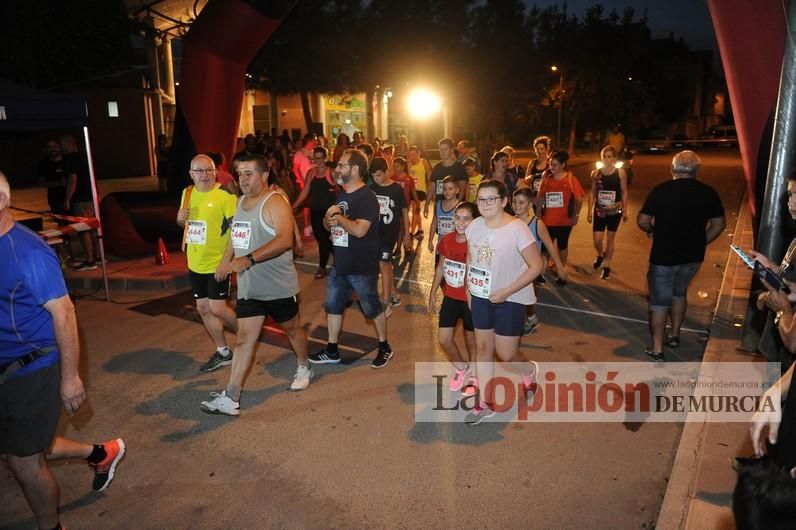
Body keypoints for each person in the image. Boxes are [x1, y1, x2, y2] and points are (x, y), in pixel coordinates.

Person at [0, 171, 125, 530]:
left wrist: (70, 378)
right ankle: (101, 453)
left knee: (24, 461)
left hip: (30, 368)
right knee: (19, 449)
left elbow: (65, 313)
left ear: (3, 202)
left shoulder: (29, 253)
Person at [200, 154, 311, 416]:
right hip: (250, 288)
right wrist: (225, 262)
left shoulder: (274, 203)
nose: (243, 179)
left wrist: (248, 259)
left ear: (264, 175)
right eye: (239, 174)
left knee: (293, 330)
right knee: (244, 339)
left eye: (249, 173)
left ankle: (304, 365)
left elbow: (285, 240)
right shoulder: (239, 203)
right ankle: (232, 396)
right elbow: (233, 238)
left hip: (278, 285)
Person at [464, 179, 544, 424]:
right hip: (480, 297)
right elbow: (470, 257)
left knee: (506, 355)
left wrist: (507, 291)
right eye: (481, 199)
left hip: (511, 298)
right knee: (483, 350)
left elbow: (536, 265)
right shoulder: (474, 225)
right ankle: (484, 402)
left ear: (504, 201)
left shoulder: (516, 228)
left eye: (491, 199)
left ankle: (529, 371)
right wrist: (469, 290)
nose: (485, 204)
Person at [308, 149, 394, 368]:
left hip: (362, 266)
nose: (336, 169)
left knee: (372, 308)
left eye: (341, 166)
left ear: (355, 169)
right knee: (333, 307)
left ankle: (385, 347)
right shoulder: (343, 195)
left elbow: (359, 230)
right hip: (341, 264)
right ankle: (332, 350)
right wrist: (329, 219)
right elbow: (332, 225)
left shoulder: (367, 197)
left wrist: (338, 217)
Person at [637, 150, 725, 361]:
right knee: (679, 292)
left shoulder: (662, 190)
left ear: (673, 169)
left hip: (664, 256)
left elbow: (642, 220)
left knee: (659, 302)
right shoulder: (708, 192)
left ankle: (657, 348)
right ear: (696, 171)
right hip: (692, 258)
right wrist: (701, 242)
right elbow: (719, 225)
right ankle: (675, 334)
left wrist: (652, 230)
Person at [176, 155, 239, 372]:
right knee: (203, 308)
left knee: (218, 308)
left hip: (217, 263)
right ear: (191, 173)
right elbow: (182, 224)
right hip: (195, 263)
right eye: (199, 171)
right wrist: (180, 219)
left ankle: (247, 335)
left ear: (215, 172)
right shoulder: (188, 193)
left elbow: (236, 232)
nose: (204, 175)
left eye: (208, 170)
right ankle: (223, 352)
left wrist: (225, 262)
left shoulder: (225, 196)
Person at [428, 202, 478, 392]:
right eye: (458, 217)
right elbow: (441, 266)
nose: (461, 222)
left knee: (472, 342)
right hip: (451, 296)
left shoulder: (476, 242)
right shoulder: (447, 240)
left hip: (470, 299)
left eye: (466, 218)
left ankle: (475, 376)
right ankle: (461, 367)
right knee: (444, 339)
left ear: (474, 221)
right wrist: (432, 293)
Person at [512, 188, 567, 334]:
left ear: (530, 205)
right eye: (515, 202)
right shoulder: (510, 222)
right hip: (514, 267)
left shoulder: (537, 224)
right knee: (518, 296)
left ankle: (529, 320)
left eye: (521, 202)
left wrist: (559, 267)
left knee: (525, 295)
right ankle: (530, 319)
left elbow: (549, 245)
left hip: (531, 268)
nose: (517, 205)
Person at [370, 156, 411, 310]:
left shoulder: (396, 189)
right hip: (374, 234)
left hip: (390, 234)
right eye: (373, 176)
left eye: (379, 175)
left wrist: (407, 233)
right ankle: (394, 294)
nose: (376, 179)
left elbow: (405, 212)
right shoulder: (372, 188)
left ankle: (385, 300)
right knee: (383, 265)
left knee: (384, 262)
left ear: (387, 171)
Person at [538, 151, 585, 279]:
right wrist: (537, 215)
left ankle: (561, 271)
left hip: (565, 221)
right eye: (550, 164)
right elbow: (540, 198)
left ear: (563, 164)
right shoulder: (547, 179)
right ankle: (542, 273)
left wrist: (576, 215)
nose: (552, 167)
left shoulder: (570, 179)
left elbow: (579, 199)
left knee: (562, 246)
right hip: (548, 220)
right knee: (545, 247)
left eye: (555, 165)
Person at [292, 146, 337, 278]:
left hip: (329, 212)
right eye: (316, 158)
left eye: (320, 158)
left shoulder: (331, 172)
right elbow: (305, 191)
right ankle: (339, 259)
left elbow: (340, 190)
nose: (318, 161)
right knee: (320, 238)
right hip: (315, 211)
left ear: (325, 158)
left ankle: (322, 268)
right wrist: (295, 205)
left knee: (324, 239)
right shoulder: (311, 173)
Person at [587, 145, 629, 280]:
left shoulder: (620, 173)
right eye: (604, 156)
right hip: (600, 211)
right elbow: (592, 192)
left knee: (610, 239)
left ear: (614, 158)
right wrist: (589, 210)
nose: (606, 159)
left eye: (609, 156)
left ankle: (606, 266)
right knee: (597, 240)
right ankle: (600, 254)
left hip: (615, 210)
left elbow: (624, 191)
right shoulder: (596, 173)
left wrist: (625, 211)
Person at [61, 135, 98, 271]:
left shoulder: (71, 159)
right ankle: (96, 256)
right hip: (89, 197)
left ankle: (90, 260)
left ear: (69, 144)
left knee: (83, 228)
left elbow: (72, 180)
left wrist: (67, 199)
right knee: (91, 227)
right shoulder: (84, 157)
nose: (61, 147)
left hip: (80, 199)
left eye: (62, 144)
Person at [37, 139, 74, 262]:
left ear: (59, 147)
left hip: (74, 199)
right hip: (56, 200)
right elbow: (41, 182)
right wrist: (57, 184)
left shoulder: (68, 161)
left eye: (55, 146)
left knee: (77, 226)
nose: (52, 149)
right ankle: (66, 256)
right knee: (61, 227)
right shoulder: (43, 164)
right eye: (49, 147)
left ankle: (79, 253)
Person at [426, 137, 468, 216]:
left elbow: (463, 190)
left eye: (445, 149)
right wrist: (426, 204)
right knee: (436, 226)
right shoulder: (437, 168)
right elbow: (431, 188)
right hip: (439, 206)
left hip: (454, 207)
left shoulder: (459, 167)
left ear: (451, 150)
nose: (442, 152)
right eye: (440, 149)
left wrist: (458, 205)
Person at [391, 156, 420, 256]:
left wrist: (418, 203)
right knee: (398, 227)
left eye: (397, 166)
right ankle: (406, 246)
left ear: (403, 167)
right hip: (394, 207)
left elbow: (413, 192)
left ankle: (400, 248)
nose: (395, 169)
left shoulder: (408, 179)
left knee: (402, 226)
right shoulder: (391, 178)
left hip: (404, 207)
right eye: (393, 166)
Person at [428, 176, 460, 263]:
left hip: (455, 250)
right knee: (438, 273)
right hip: (441, 248)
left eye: (450, 189)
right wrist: (430, 241)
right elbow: (434, 223)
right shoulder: (438, 205)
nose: (447, 192)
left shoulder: (460, 207)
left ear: (457, 190)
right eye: (444, 189)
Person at [293, 133, 316, 239]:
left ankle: (310, 225)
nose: (315, 143)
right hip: (304, 183)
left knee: (312, 204)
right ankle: (306, 226)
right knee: (306, 205)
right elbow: (295, 169)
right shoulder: (299, 153)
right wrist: (302, 181)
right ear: (309, 141)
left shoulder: (311, 152)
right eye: (314, 141)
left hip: (313, 182)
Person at [407, 146, 432, 238]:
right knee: (416, 210)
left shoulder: (423, 162)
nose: (412, 157)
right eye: (410, 155)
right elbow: (408, 177)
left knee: (415, 210)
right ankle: (420, 230)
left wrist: (430, 189)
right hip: (412, 189)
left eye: (414, 154)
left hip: (421, 190)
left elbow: (429, 175)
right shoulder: (409, 163)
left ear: (418, 153)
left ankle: (412, 232)